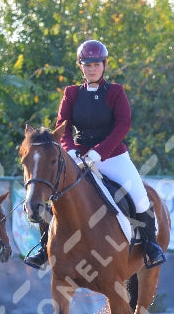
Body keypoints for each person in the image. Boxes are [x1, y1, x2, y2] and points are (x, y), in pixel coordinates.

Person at [23, 39, 166, 270]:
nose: (92, 68)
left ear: (104, 65)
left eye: (96, 64)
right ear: (81, 66)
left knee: (140, 197)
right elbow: (63, 126)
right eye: (87, 64)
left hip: (112, 156)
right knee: (51, 192)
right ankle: (43, 247)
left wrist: (99, 153)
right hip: (77, 155)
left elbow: (123, 125)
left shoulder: (116, 92)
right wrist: (69, 150)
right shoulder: (71, 93)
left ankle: (150, 246)